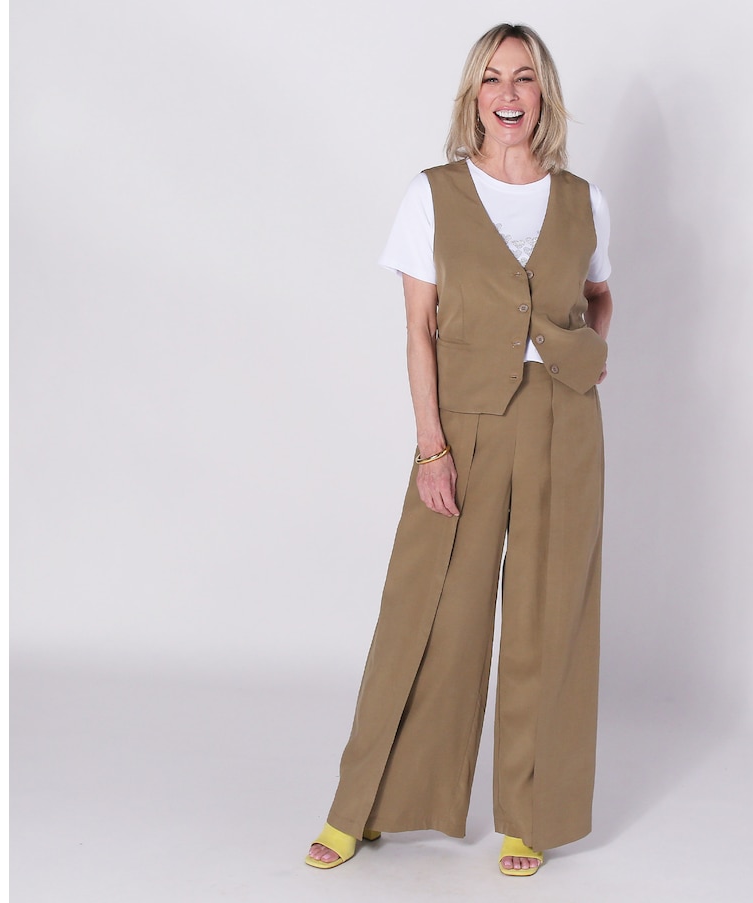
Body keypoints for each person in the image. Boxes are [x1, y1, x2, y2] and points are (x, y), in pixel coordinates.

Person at [306, 22, 613, 877]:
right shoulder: (432, 194)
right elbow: (417, 329)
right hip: (464, 423)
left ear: (544, 94)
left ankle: (531, 815)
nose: (508, 94)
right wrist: (430, 447)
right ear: (474, 95)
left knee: (549, 616)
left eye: (524, 77)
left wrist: (587, 355)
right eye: (492, 78)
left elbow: (597, 294)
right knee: (430, 609)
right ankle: (365, 804)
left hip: (563, 422)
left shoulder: (584, 199)